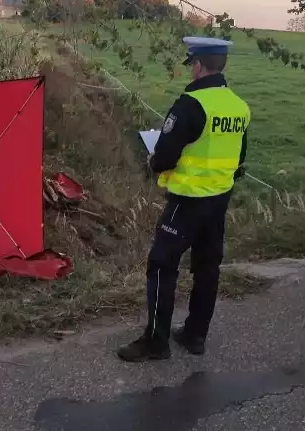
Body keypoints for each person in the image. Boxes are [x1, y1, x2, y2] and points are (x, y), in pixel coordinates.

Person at [117, 36, 251, 362]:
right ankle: (195, 335)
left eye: (192, 64)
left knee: (162, 265)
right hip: (219, 200)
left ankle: (155, 342)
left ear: (197, 65)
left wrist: (152, 161)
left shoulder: (191, 105)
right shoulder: (238, 106)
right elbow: (239, 158)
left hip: (187, 201)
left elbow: (163, 158)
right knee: (207, 267)